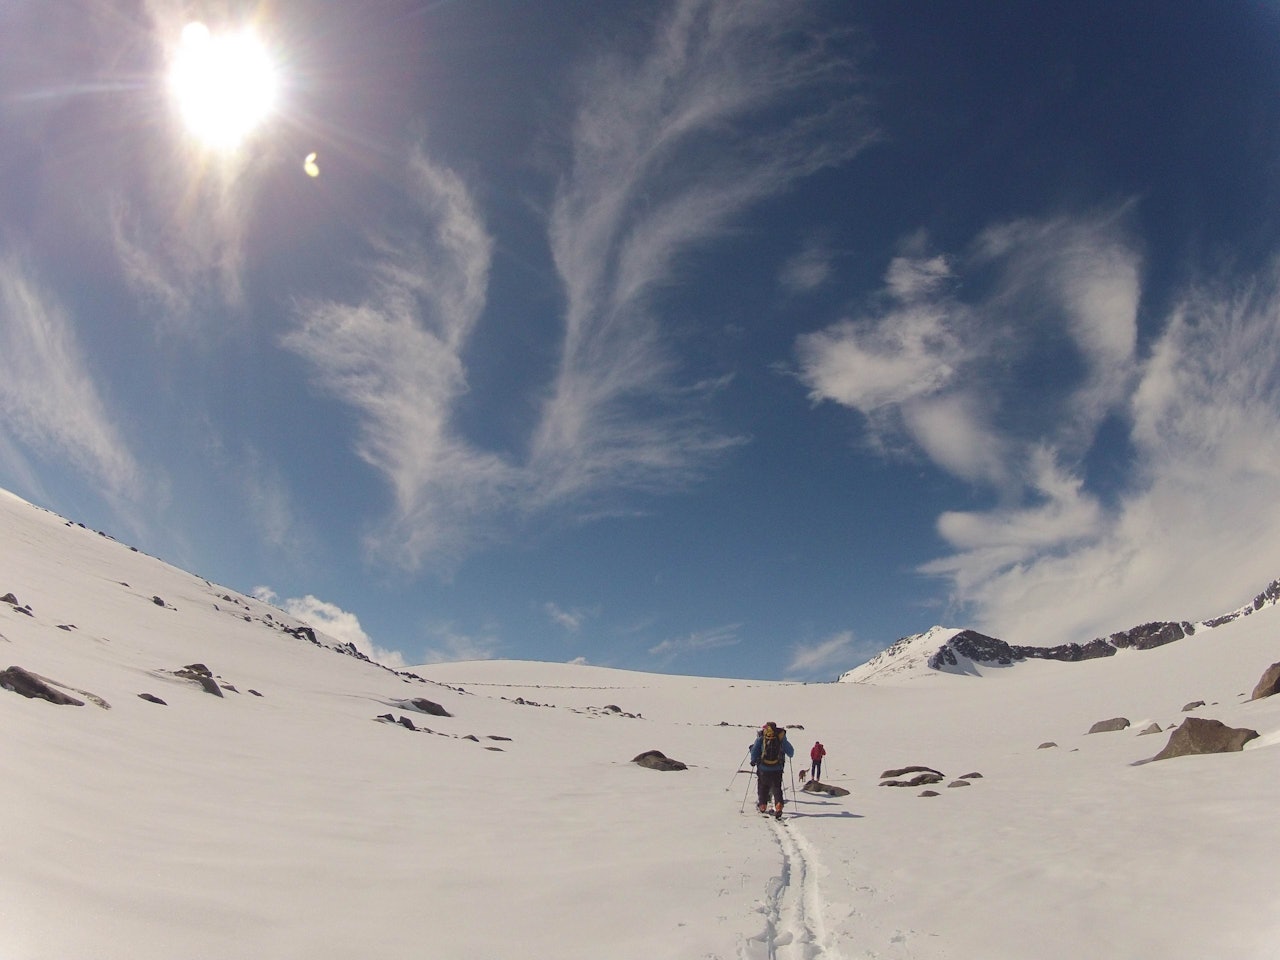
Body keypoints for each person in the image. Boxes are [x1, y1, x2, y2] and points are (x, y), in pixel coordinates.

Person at [749, 721, 794, 818]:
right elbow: (791, 752)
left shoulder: (762, 736)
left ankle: (762, 805)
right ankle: (778, 805)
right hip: (777, 768)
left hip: (763, 768)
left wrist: (753, 760)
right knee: (777, 788)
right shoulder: (780, 736)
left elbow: (755, 750)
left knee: (763, 787)